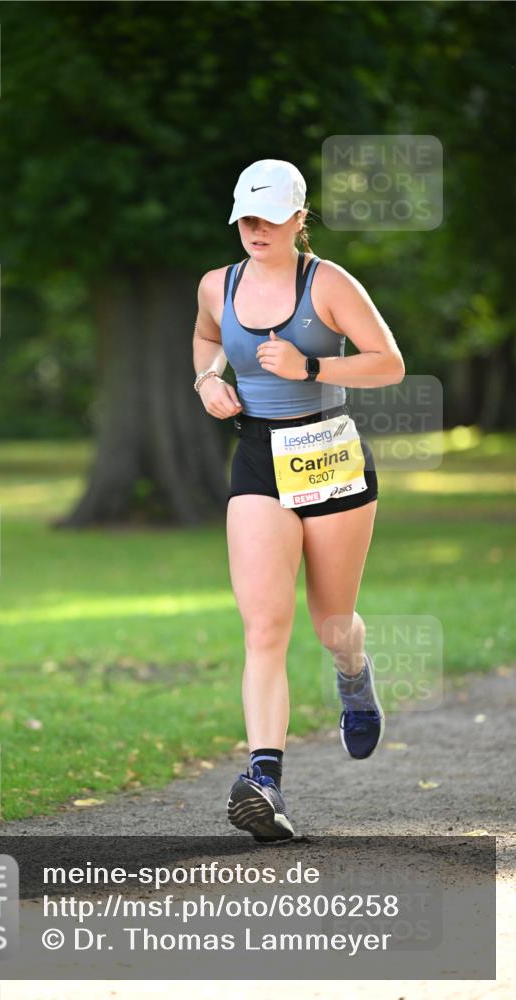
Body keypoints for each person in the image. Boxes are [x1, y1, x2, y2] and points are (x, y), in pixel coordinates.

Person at [192, 159, 405, 843]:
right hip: (257, 456)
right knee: (263, 626)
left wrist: (312, 366)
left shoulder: (329, 283)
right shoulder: (216, 285)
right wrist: (206, 380)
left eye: (269, 217)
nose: (255, 230)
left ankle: (352, 674)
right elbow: (205, 338)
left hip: (329, 456)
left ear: (298, 219)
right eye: (245, 218)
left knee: (330, 621)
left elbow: (388, 363)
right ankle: (264, 782)